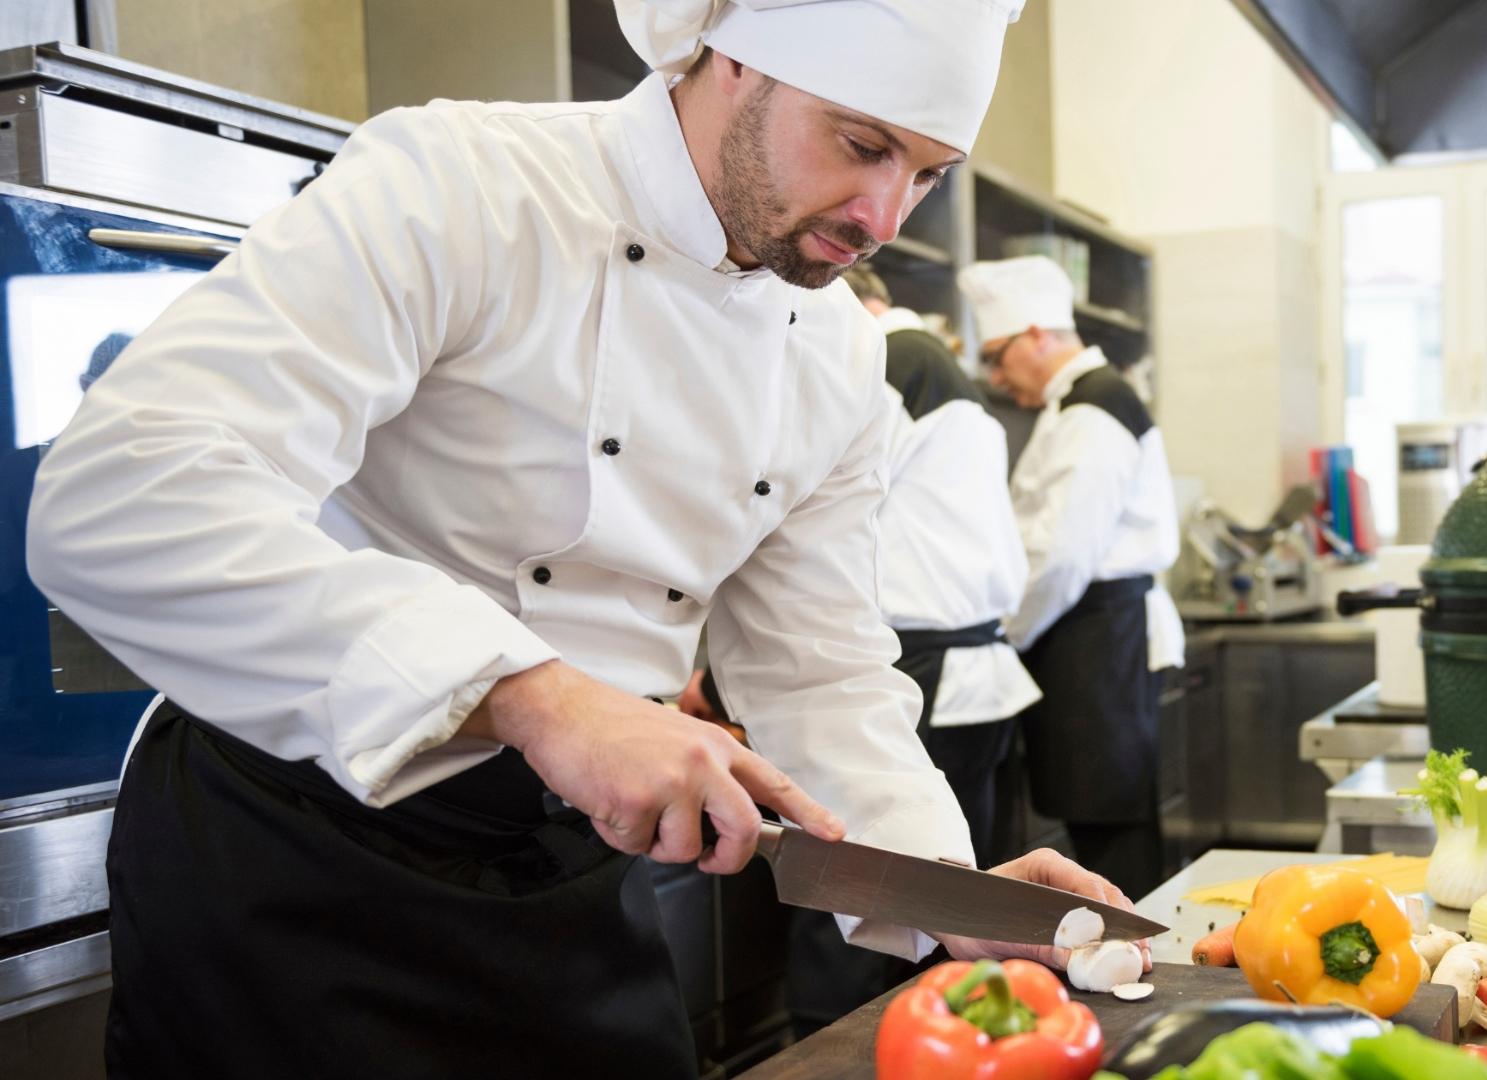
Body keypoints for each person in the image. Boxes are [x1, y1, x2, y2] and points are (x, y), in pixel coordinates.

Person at [24, 3, 1137, 1075]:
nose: (886, 217)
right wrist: (537, 695)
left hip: (567, 868)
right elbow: (121, 492)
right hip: (290, 850)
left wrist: (944, 890)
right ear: (733, 59)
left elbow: (821, 668)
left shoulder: (840, 356)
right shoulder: (463, 186)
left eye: (928, 174)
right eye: (862, 144)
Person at [692, 263, 1043, 1033]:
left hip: (906, 664)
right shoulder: (942, 375)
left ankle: (841, 1037)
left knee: (843, 884)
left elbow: (786, 549)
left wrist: (712, 688)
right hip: (972, 668)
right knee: (903, 886)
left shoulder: (877, 354)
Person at [958, 254, 1184, 900]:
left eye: (998, 356)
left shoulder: (1093, 409)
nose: (997, 376)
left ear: (1037, 335)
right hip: (1091, 632)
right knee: (1103, 817)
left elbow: (1060, 556)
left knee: (1108, 823)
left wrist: (1003, 635)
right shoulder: (1078, 403)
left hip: (1093, 634)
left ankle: (1138, 974)